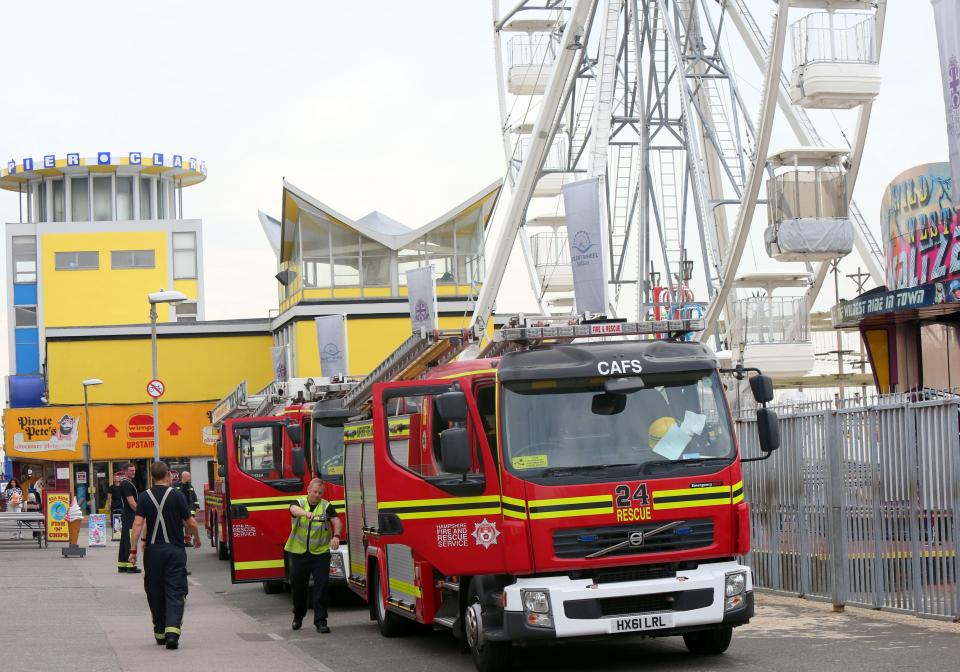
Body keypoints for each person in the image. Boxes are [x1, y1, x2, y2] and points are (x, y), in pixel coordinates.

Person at [127, 461, 201, 650]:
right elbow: (191, 523)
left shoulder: (144, 497)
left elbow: (137, 525)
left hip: (153, 553)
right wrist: (196, 538)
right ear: (168, 474)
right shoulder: (177, 496)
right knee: (175, 589)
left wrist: (133, 551)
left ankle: (160, 632)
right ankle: (172, 633)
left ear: (151, 476)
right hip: (174, 551)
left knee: (155, 591)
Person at [284, 478, 341, 634]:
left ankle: (321, 621)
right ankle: (298, 616)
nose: (317, 495)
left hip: (320, 553)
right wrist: (306, 514)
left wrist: (336, 536)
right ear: (308, 490)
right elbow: (293, 509)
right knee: (298, 588)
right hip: (299, 552)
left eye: (320, 493)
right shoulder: (300, 502)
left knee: (321, 586)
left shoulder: (326, 506)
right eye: (315, 492)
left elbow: (336, 520)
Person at [117, 463, 141, 574]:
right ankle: (131, 566)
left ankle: (122, 565)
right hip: (130, 514)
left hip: (126, 514)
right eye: (131, 470)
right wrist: (140, 512)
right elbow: (131, 502)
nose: (133, 472)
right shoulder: (126, 484)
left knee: (125, 540)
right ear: (125, 471)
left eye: (134, 470)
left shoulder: (127, 483)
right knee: (131, 539)